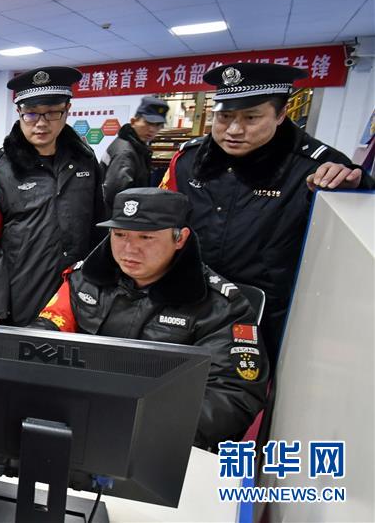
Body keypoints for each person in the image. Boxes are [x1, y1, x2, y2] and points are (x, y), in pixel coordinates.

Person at [160, 62, 375, 363]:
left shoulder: (316, 168)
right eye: (224, 117)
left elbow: (350, 234)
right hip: (192, 300)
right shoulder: (190, 160)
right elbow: (164, 221)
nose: (234, 130)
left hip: (268, 313)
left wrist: (357, 186)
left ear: (281, 114)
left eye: (251, 118)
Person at [33, 188, 268, 449]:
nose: (129, 249)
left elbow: (233, 394)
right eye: (119, 234)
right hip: (78, 423)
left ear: (180, 238)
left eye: (146, 237)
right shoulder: (84, 279)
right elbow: (44, 336)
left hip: (158, 441)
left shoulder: (221, 306)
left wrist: (151, 432)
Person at [0, 67, 106, 326]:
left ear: (67, 109)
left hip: (78, 291)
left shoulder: (85, 161)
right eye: (31, 113)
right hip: (23, 297)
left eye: (52, 112)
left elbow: (99, 226)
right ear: (19, 112)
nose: (41, 123)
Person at [99, 96, 169, 209]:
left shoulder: (135, 146)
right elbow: (116, 197)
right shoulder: (126, 153)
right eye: (148, 123)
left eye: (158, 125)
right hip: (117, 216)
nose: (152, 129)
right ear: (133, 121)